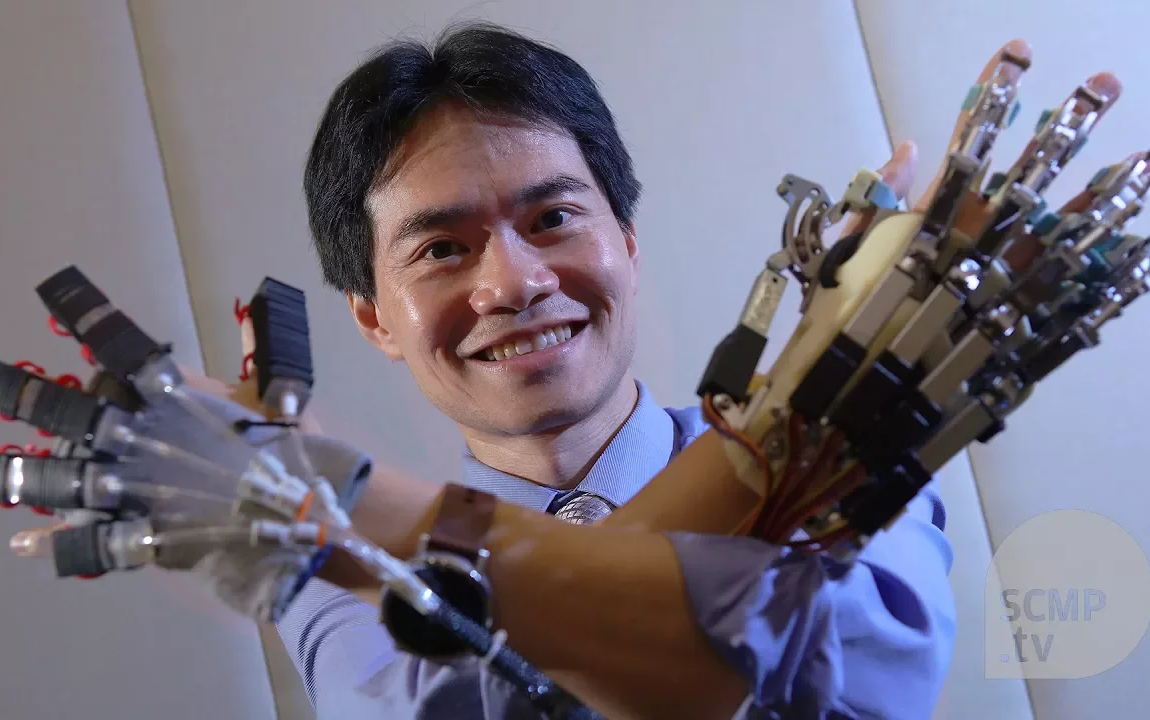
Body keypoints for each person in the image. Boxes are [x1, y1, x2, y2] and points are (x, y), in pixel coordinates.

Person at [261, 20, 1056, 719]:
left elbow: (856, 689)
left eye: (553, 218)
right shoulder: (350, 580)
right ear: (373, 317)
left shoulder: (841, 463)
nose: (514, 283)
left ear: (628, 245)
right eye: (442, 249)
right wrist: (770, 435)